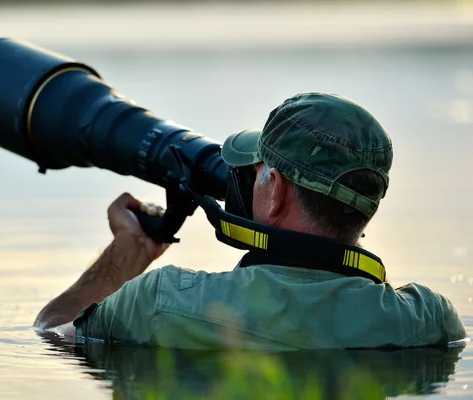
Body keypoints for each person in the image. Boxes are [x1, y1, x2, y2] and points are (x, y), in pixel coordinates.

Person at [34, 93, 467, 350]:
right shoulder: (430, 320)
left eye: (255, 171)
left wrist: (126, 255)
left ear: (274, 190)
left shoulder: (160, 301)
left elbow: (51, 332)